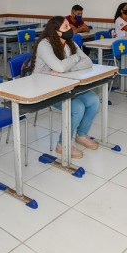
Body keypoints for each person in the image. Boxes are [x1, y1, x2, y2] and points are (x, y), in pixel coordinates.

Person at [28, 16, 97, 159]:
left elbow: (88, 62)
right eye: (65, 27)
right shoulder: (44, 44)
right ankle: (63, 144)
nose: (70, 29)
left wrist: (68, 68)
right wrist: (74, 59)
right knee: (77, 107)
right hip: (44, 88)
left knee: (94, 100)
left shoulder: (70, 42)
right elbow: (59, 66)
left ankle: (81, 135)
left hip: (65, 83)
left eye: (69, 26)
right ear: (55, 31)